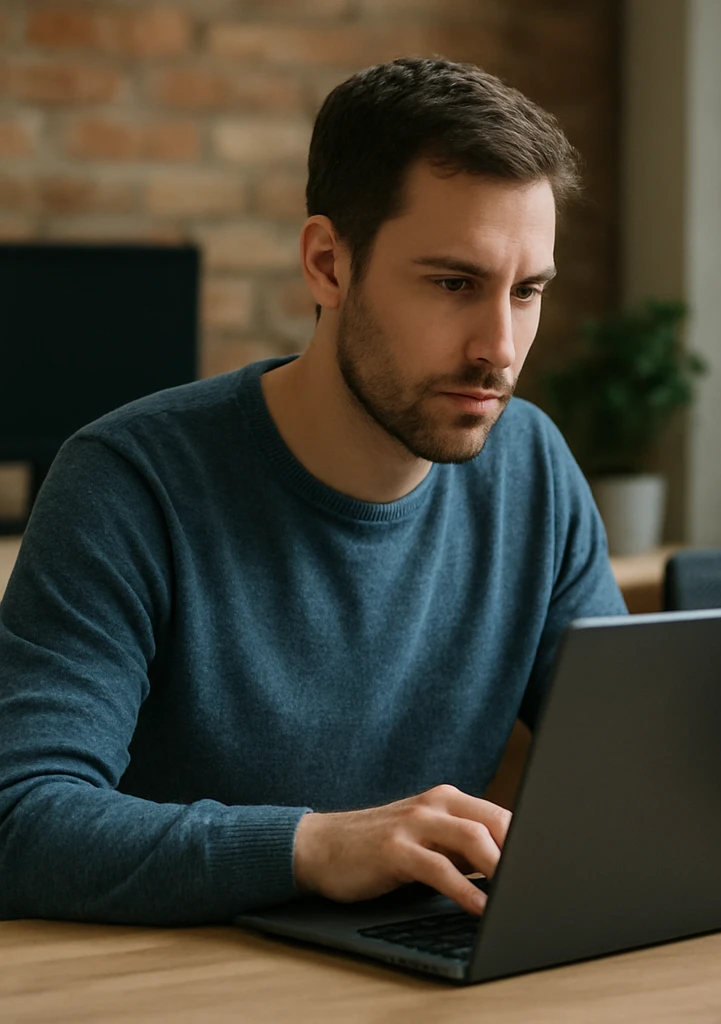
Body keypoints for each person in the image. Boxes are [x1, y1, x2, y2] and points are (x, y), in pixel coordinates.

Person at [0, 58, 625, 925]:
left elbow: (629, 766)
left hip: (426, 978)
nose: (500, 348)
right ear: (328, 264)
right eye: (454, 284)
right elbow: (21, 818)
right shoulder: (127, 483)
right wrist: (313, 845)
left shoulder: (533, 468)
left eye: (527, 293)